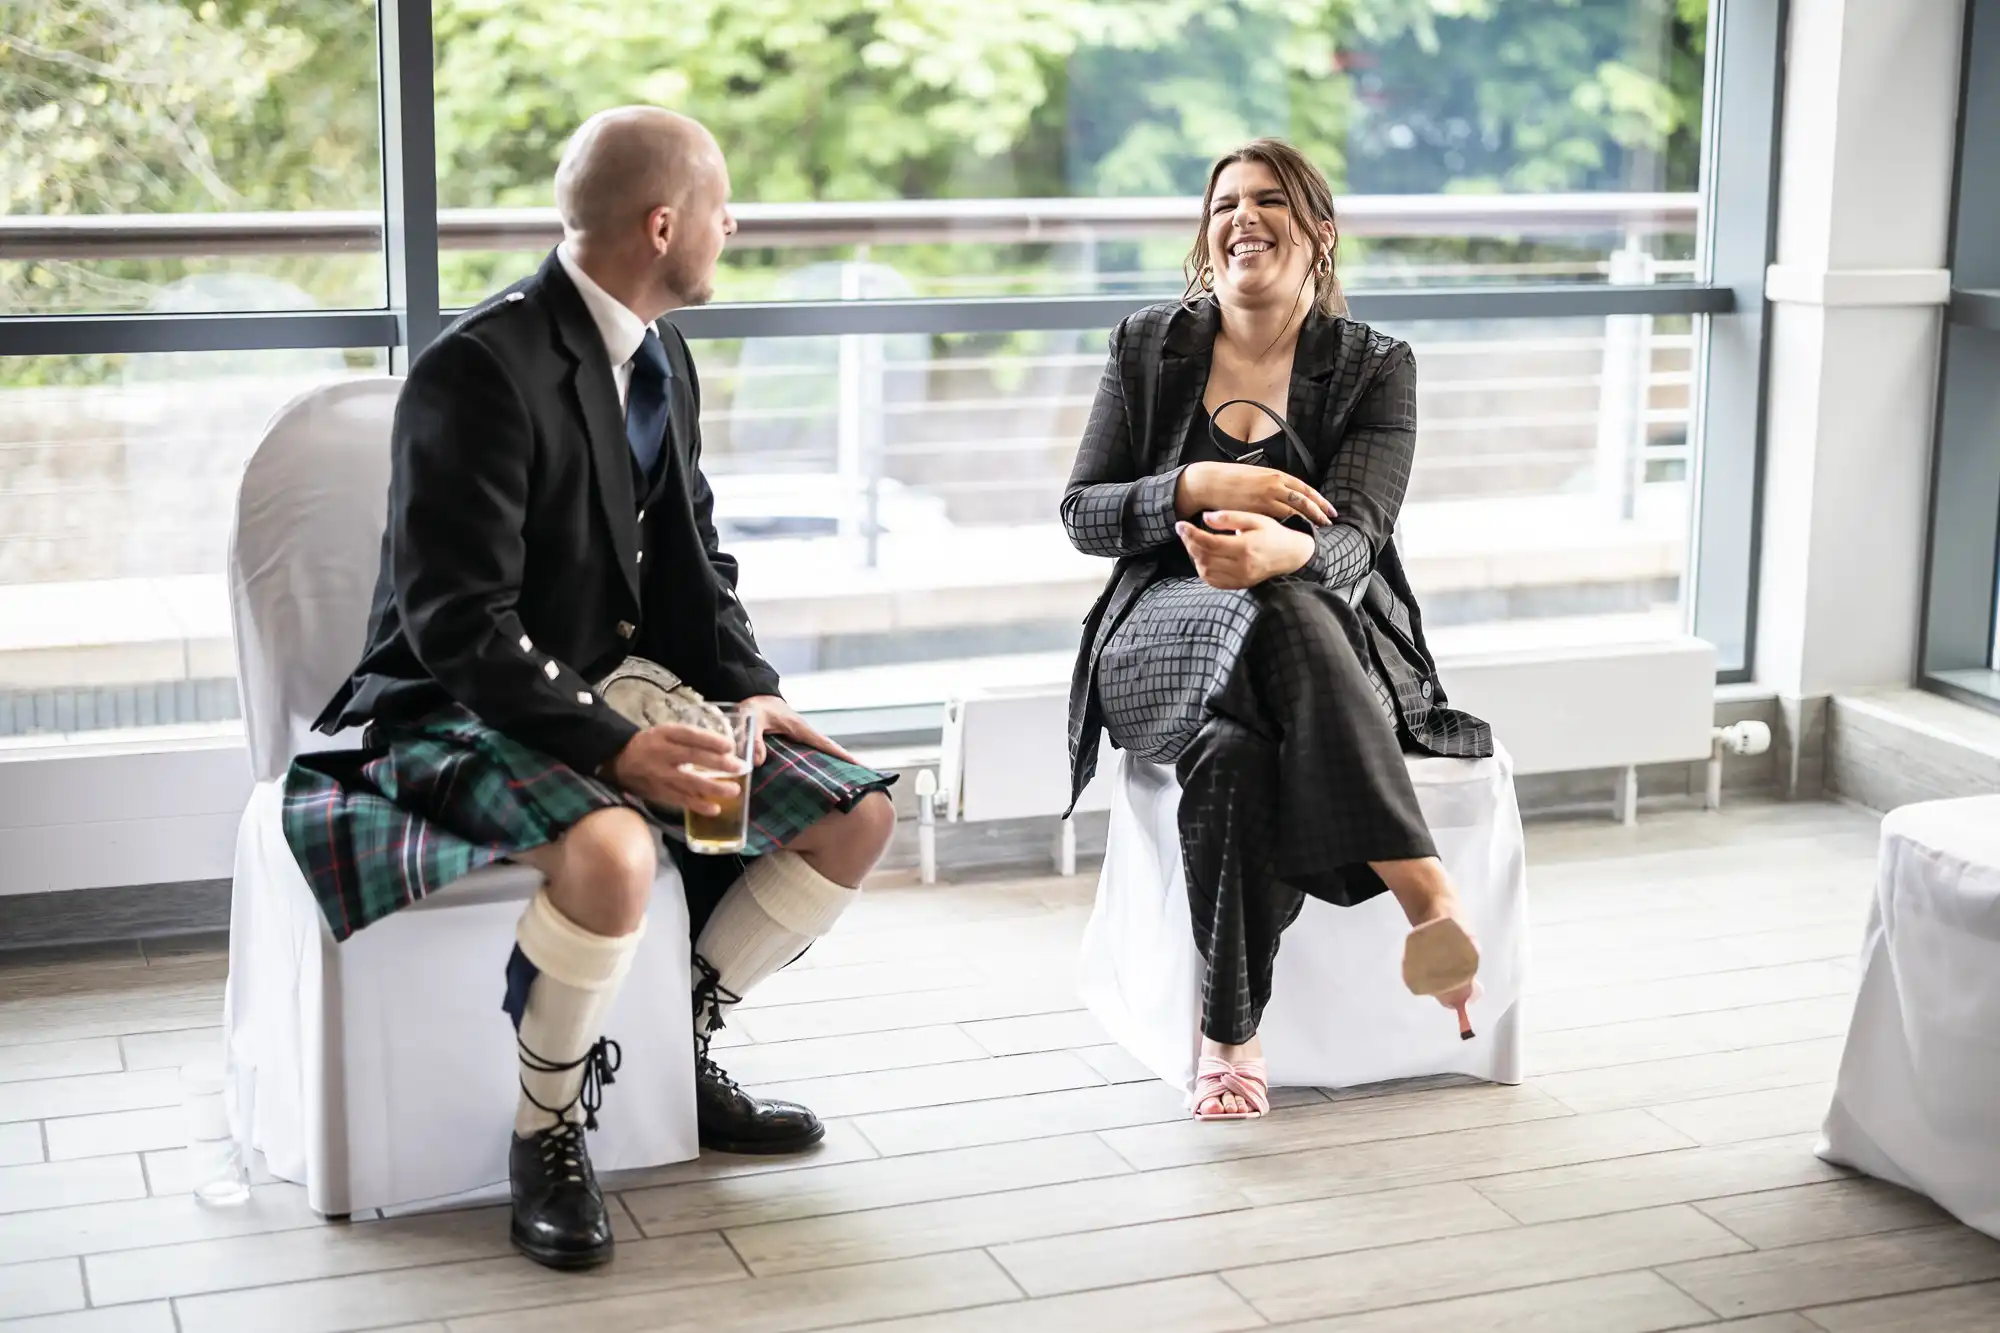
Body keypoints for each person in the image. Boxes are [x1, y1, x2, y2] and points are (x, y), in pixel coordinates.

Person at [281, 106, 897, 1269]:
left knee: (854, 812)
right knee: (613, 854)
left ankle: (680, 1034)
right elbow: (454, 621)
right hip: (448, 708)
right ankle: (546, 1130)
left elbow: (692, 563)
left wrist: (750, 691)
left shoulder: (661, 353)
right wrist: (617, 747)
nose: (734, 227)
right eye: (721, 209)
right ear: (663, 224)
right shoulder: (477, 369)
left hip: (606, 690)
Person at [1061, 138, 1493, 1121]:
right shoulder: (1146, 345)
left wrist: (1281, 553)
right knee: (1267, 615)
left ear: (1320, 235)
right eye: (1224, 203)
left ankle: (1227, 1040)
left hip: (1313, 634)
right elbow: (1081, 512)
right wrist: (1192, 484)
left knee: (1237, 745)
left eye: (1269, 202)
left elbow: (1358, 538)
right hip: (1154, 639)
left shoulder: (1374, 367)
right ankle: (1422, 889)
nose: (1241, 218)